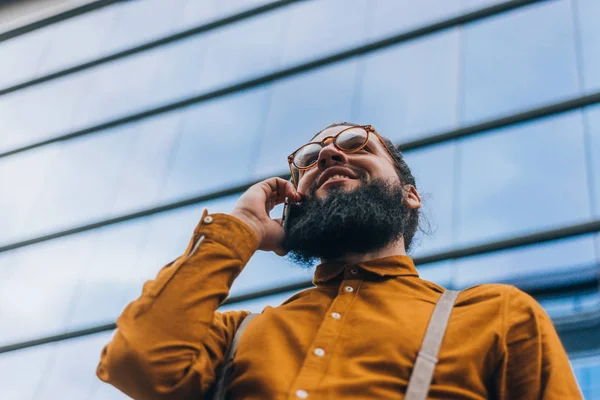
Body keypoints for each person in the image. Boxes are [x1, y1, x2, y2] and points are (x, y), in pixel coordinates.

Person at [97, 123, 582, 399]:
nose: (328, 152)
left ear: (410, 195)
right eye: (309, 159)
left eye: (356, 145)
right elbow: (135, 362)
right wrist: (241, 228)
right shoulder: (236, 336)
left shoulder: (498, 317)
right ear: (295, 202)